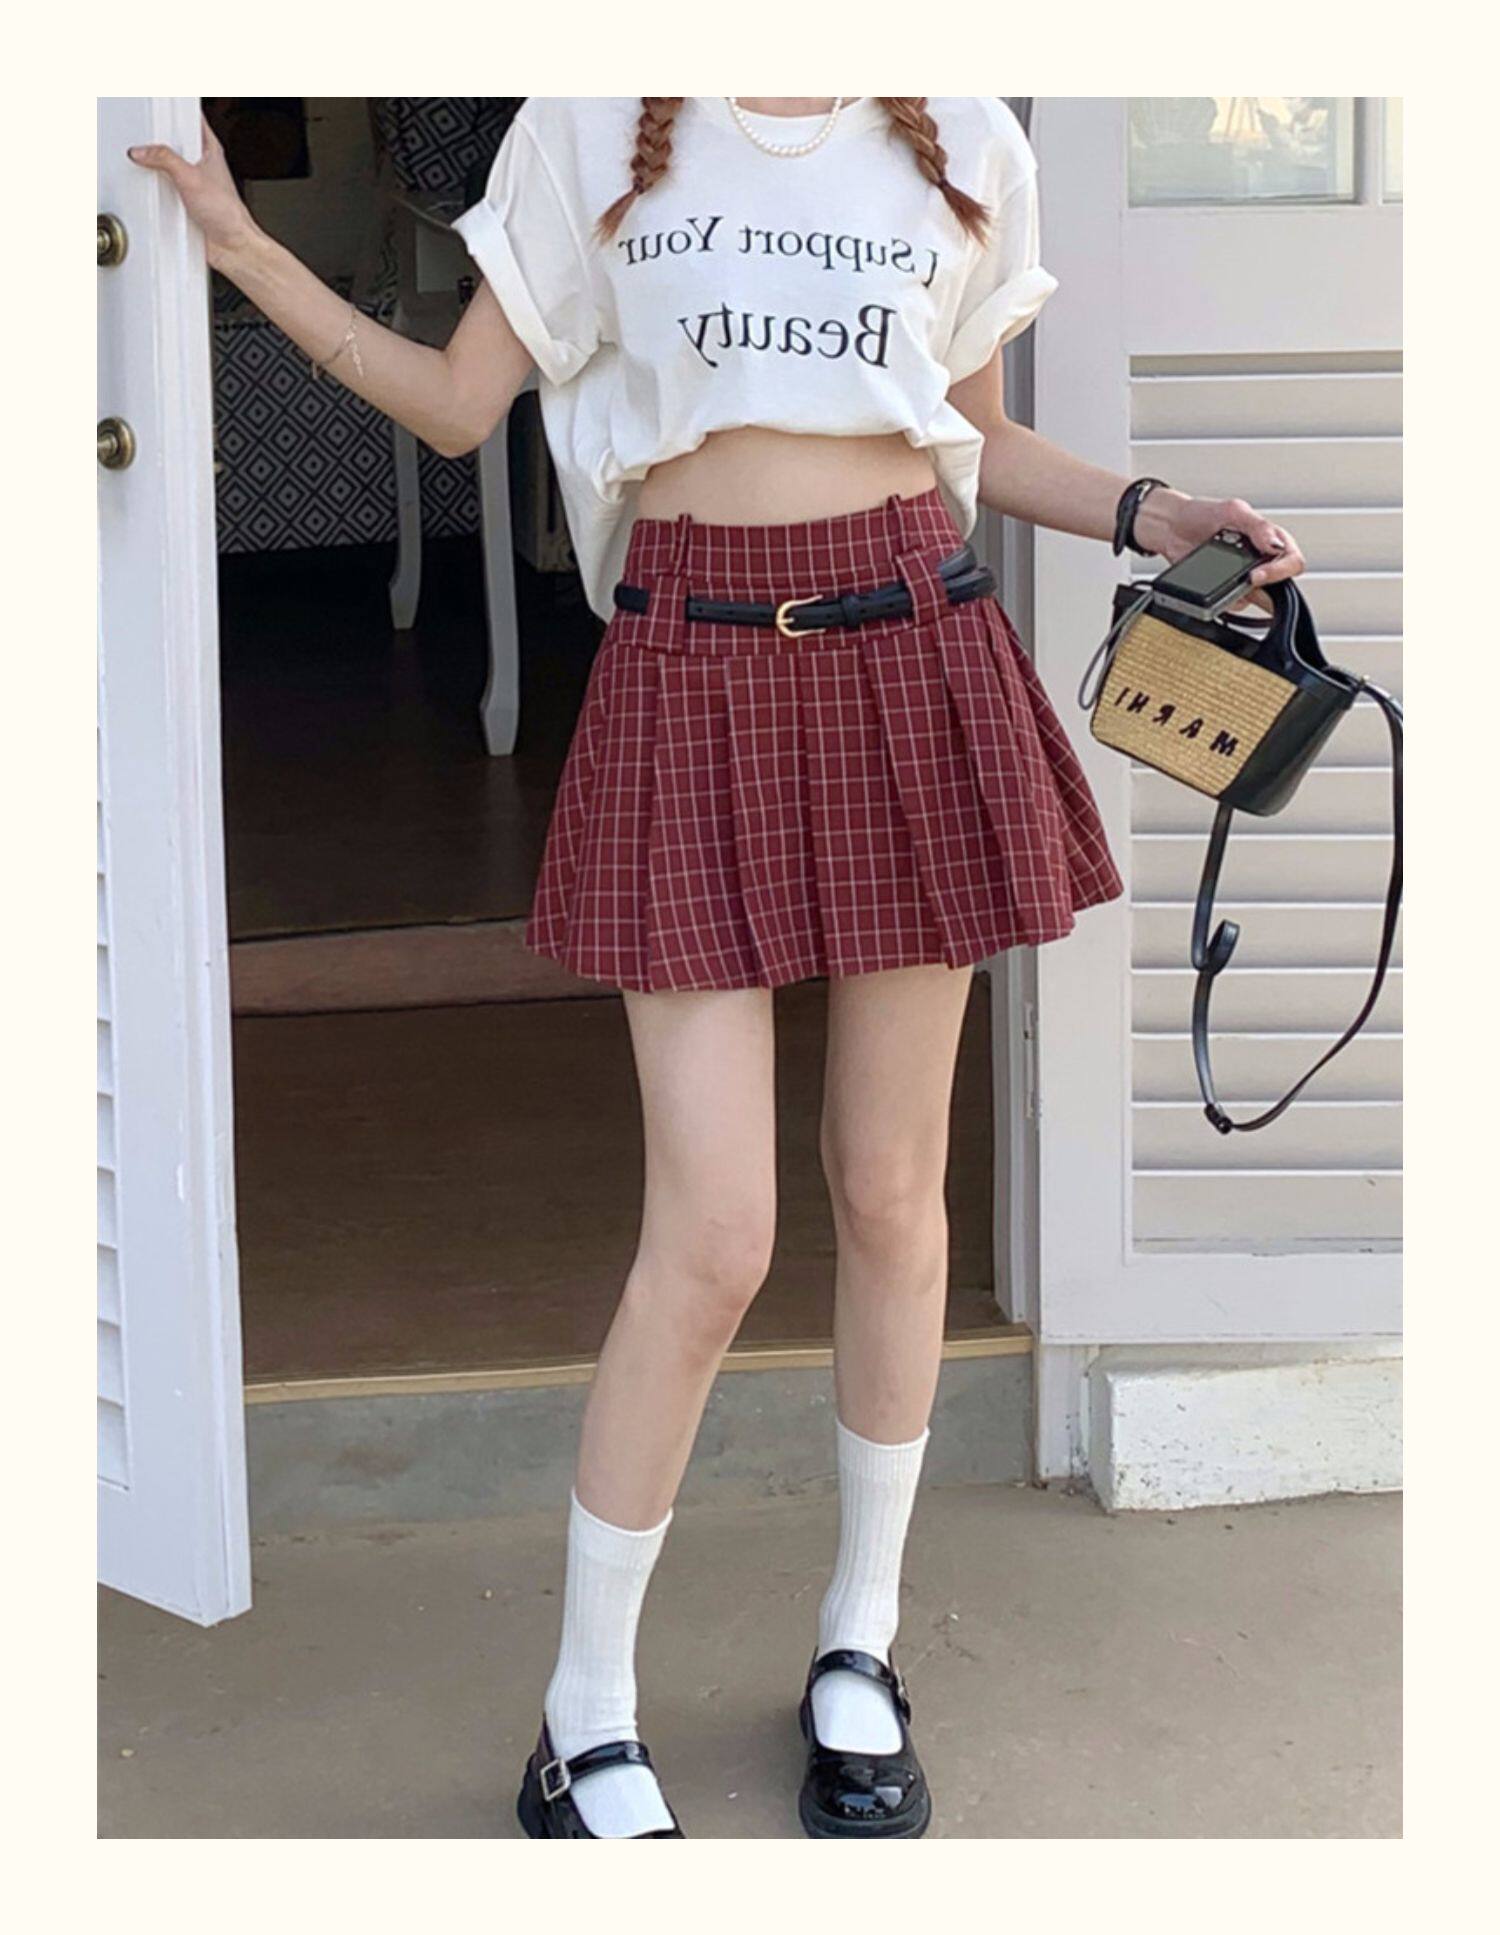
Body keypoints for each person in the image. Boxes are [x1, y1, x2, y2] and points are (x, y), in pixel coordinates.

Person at [132, 96, 1305, 1840]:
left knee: (893, 1194)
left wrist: (1157, 508)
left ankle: (860, 1645)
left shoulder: (963, 135)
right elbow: (456, 404)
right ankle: (584, 1711)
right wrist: (242, 248)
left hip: (913, 648)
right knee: (715, 1237)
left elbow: (974, 435)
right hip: (688, 665)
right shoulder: (590, 121)